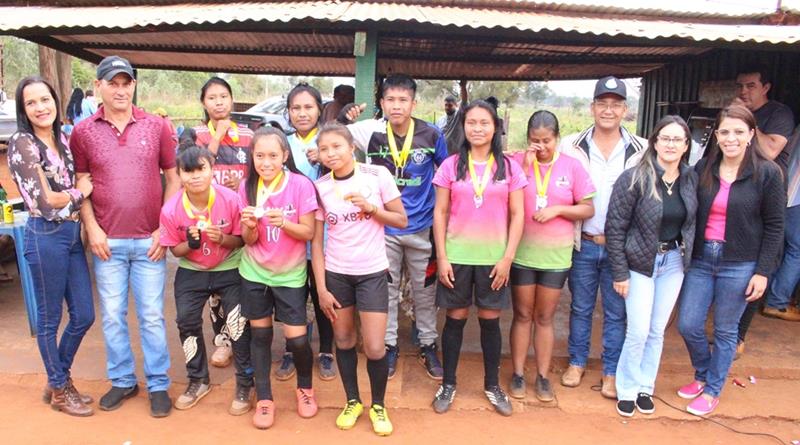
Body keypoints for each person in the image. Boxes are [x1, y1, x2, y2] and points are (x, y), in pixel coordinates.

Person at [70, 55, 181, 418]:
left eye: (126, 82)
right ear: (98, 86)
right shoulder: (83, 132)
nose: (120, 89)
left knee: (151, 315)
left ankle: (158, 384)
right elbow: (80, 185)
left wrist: (163, 229)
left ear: (134, 85)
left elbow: (173, 177)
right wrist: (93, 228)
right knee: (114, 316)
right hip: (107, 243)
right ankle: (122, 380)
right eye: (112, 83)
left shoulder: (156, 126)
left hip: (149, 241)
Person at [677, 105, 785, 416]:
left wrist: (763, 271)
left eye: (739, 131)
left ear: (752, 134)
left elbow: (775, 226)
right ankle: (702, 373)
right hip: (702, 258)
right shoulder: (703, 169)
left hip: (740, 262)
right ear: (717, 136)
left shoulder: (767, 174)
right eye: (725, 132)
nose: (731, 138)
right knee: (688, 324)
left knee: (725, 331)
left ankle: (712, 390)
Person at [340, 74, 448, 380]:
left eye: (403, 100)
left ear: (414, 103)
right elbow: (334, 136)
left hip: (422, 228)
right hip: (383, 228)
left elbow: (446, 174)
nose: (396, 106)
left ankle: (428, 345)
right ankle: (389, 346)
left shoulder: (431, 134)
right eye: (390, 100)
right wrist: (340, 115)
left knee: (424, 292)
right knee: (384, 292)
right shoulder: (369, 132)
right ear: (382, 103)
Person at [431, 100, 526, 416]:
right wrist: (442, 257)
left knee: (490, 322)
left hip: (493, 259)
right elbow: (440, 211)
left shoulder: (510, 167)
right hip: (457, 255)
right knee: (454, 320)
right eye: (471, 122)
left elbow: (518, 213)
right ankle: (448, 382)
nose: (477, 128)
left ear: (496, 126)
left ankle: (492, 385)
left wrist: (507, 258)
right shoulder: (451, 165)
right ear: (463, 126)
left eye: (484, 122)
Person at [7, 76, 95, 416]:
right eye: (31, 103)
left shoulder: (65, 137)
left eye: (45, 100)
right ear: (24, 109)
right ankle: (59, 388)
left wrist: (75, 196)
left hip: (71, 235)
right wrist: (81, 191)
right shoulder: (22, 143)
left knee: (84, 314)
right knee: (48, 319)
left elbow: (67, 188)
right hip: (44, 234)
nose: (40, 107)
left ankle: (58, 378)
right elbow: (46, 201)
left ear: (56, 101)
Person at [312, 123, 407, 436]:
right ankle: (352, 400)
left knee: (376, 346)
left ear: (352, 147)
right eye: (324, 149)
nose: (331, 154)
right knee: (343, 340)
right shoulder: (322, 186)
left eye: (337, 146)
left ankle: (378, 405)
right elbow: (316, 241)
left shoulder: (376, 175)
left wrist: (371, 208)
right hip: (337, 274)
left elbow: (400, 219)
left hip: (372, 273)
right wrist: (322, 287)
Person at [558, 76, 646, 399]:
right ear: (592, 107)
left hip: (620, 248)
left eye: (615, 104)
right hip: (584, 242)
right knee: (580, 307)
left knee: (615, 311)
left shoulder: (641, 149)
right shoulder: (570, 145)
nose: (608, 110)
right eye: (602, 103)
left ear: (625, 109)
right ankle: (577, 362)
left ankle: (611, 371)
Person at [605, 115, 698, 417]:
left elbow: (695, 223)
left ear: (686, 146)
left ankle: (646, 386)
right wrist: (619, 272)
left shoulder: (691, 179)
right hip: (639, 262)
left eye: (677, 139)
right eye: (665, 138)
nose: (670, 144)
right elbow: (615, 227)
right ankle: (627, 389)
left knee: (657, 330)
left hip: (673, 262)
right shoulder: (634, 177)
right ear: (654, 141)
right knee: (639, 329)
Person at [159, 143, 253, 415]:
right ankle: (198, 380)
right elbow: (175, 250)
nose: (195, 176)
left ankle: (246, 382)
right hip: (192, 270)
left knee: (237, 325)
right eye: (187, 172)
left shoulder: (231, 199)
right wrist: (190, 244)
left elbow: (241, 241)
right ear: (179, 174)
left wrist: (222, 238)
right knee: (186, 321)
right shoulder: (171, 209)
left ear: (212, 170)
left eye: (201, 169)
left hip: (229, 267)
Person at [508, 111, 595, 402]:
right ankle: (518, 373)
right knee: (522, 314)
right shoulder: (518, 162)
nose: (541, 146)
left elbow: (587, 209)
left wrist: (558, 210)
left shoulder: (572, 167)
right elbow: (504, 194)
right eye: (535, 141)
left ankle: (543, 376)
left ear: (557, 138)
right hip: (521, 252)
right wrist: (524, 163)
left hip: (556, 256)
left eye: (547, 141)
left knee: (544, 317)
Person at [239, 127, 321, 429]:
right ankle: (264, 399)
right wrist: (249, 225)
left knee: (297, 340)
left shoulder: (300, 185)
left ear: (285, 156)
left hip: (290, 275)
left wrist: (284, 223)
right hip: (254, 273)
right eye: (259, 155)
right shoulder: (248, 186)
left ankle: (305, 389)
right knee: (260, 337)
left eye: (273, 155)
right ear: (253, 157)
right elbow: (248, 240)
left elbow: (308, 232)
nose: (266, 162)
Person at [182, 76, 255, 369]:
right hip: (207, 219)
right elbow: (192, 165)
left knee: (239, 285)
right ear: (203, 103)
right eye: (212, 98)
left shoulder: (249, 134)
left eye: (223, 96)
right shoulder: (195, 134)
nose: (219, 102)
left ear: (232, 99)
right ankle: (222, 342)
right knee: (214, 291)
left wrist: (244, 182)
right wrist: (217, 135)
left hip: (241, 218)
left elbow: (262, 169)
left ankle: (241, 339)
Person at [273, 83, 336, 382]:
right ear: (287, 112)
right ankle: (290, 351)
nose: (302, 113)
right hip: (291, 235)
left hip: (325, 237)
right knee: (292, 296)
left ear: (319, 110)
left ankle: (326, 351)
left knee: (323, 292)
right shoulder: (280, 143)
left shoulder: (331, 142)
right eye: (295, 108)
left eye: (308, 107)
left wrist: (325, 161)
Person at [732, 64, 800, 345]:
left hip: (769, 196)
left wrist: (746, 120)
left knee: (764, 258)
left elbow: (771, 150)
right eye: (740, 86)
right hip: (739, 193)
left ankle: (740, 333)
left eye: (751, 85)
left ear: (766, 87)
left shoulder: (779, 113)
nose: (744, 91)